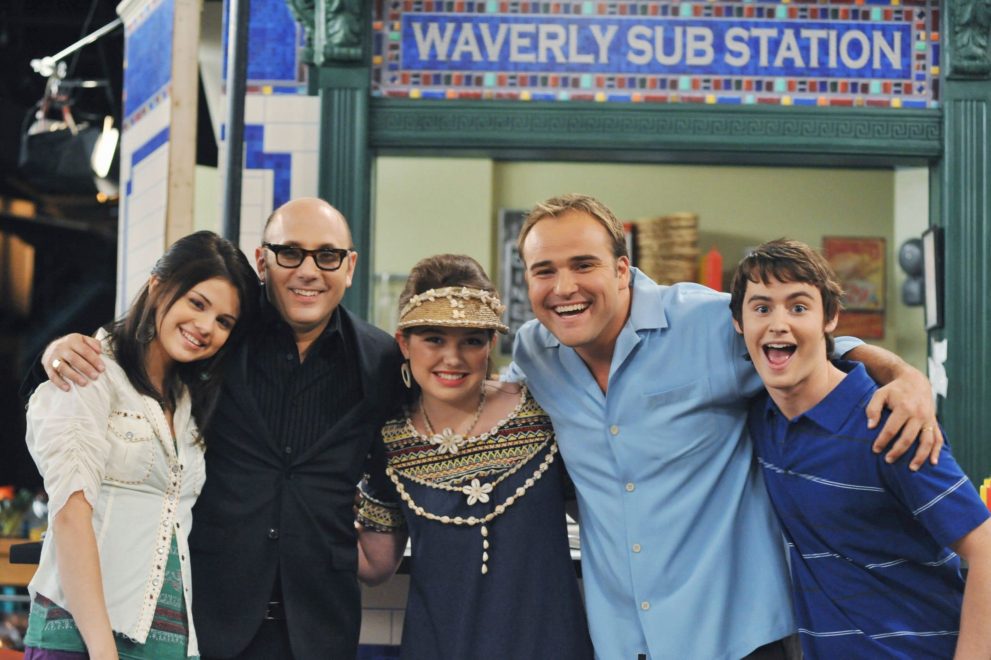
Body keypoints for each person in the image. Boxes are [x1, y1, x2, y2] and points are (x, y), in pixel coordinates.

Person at [508, 193, 943, 659]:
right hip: (623, 643)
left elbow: (814, 345)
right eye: (544, 271)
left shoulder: (703, 321)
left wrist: (904, 375)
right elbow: (485, 401)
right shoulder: (534, 354)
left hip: (736, 640)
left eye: (583, 265)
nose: (564, 287)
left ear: (620, 270)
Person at [36, 198, 404, 659]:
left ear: (349, 267)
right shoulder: (220, 337)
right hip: (205, 622)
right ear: (262, 262)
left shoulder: (379, 360)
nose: (309, 271)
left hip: (320, 626)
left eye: (327, 255)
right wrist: (57, 350)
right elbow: (131, 358)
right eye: (290, 252)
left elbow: (395, 458)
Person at [729, 238, 991, 659]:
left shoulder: (891, 423)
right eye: (762, 308)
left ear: (830, 317)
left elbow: (986, 550)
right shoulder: (761, 418)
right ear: (738, 323)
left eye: (798, 307)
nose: (778, 323)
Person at [23, 230, 258, 660]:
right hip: (82, 640)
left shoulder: (189, 401)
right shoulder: (91, 371)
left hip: (169, 644)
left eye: (224, 321)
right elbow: (71, 517)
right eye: (197, 303)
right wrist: (102, 651)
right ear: (157, 286)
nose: (206, 327)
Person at [354, 254, 593, 659]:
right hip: (439, 647)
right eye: (434, 339)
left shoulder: (543, 413)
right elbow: (375, 566)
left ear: (491, 344)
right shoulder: (390, 441)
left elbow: (604, 519)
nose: (453, 357)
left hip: (550, 645)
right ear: (404, 343)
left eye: (471, 340)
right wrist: (310, 502)